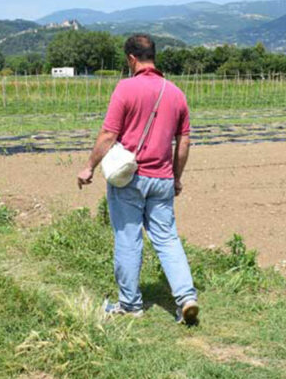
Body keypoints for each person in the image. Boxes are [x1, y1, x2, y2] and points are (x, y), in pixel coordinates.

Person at [77, 34, 199, 325]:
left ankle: (130, 304)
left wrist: (89, 167)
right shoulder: (176, 93)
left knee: (128, 238)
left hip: (130, 180)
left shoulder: (126, 88)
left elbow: (108, 135)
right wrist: (177, 177)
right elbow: (184, 142)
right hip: (163, 179)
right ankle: (186, 297)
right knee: (167, 238)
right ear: (153, 56)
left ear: (132, 59)